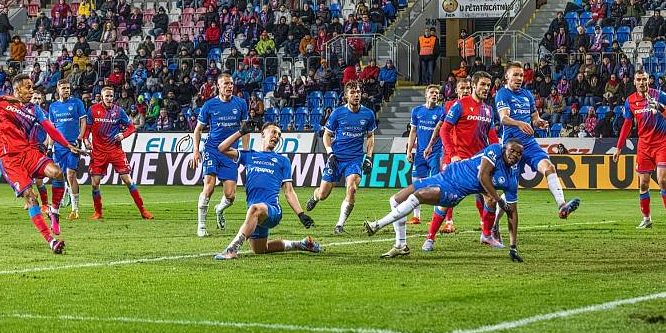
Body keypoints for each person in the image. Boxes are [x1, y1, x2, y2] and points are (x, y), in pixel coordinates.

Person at [365, 140, 525, 262]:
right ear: (505, 148)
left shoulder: (510, 180)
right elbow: (482, 175)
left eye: (519, 154)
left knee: (418, 196)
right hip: (445, 175)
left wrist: (513, 247)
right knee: (396, 199)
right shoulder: (495, 150)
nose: (515, 155)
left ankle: (377, 225)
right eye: (512, 151)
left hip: (455, 190)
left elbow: (513, 214)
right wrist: (498, 199)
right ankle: (401, 246)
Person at [0, 75, 83, 253]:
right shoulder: (1, 102)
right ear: (17, 90)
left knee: (57, 172)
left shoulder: (34, 110)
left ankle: (54, 210)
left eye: (32, 87)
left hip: (28, 152)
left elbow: (51, 130)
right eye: (28, 87)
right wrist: (3, 97)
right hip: (9, 158)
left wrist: (68, 145)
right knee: (31, 198)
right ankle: (51, 241)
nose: (32, 90)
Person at [212, 122, 320, 260]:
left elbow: (289, 191)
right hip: (255, 215)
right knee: (260, 249)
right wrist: (240, 132)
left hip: (272, 210)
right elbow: (221, 148)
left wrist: (301, 214)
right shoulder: (250, 155)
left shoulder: (282, 161)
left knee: (254, 209)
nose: (277, 136)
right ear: (263, 134)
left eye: (279, 134)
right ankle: (301, 244)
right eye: (273, 132)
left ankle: (232, 249)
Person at [496, 62, 581, 219]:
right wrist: (520, 123)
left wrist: (539, 122)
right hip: (511, 146)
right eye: (515, 75)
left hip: (529, 143)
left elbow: (535, 118)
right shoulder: (503, 94)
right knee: (511, 188)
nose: (519, 78)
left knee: (549, 167)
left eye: (521, 75)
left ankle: (562, 205)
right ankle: (493, 226)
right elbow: (504, 118)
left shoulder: (527, 95)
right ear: (507, 76)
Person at [425, 72, 499, 247]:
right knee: (446, 200)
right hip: (461, 163)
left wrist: (497, 155)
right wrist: (453, 153)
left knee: (491, 198)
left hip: (481, 164)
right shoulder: (459, 105)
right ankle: (430, 238)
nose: (486, 89)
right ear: (473, 85)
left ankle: (486, 235)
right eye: (482, 85)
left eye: (488, 86)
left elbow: (492, 136)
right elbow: (444, 130)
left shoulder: (488, 109)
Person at [306, 80, 376, 234]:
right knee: (323, 194)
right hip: (337, 158)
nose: (356, 95)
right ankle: (315, 197)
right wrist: (330, 153)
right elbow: (327, 135)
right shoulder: (337, 113)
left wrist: (369, 157)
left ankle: (339, 225)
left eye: (358, 92)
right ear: (346, 96)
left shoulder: (368, 114)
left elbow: (370, 137)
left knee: (352, 188)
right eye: (352, 92)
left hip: (355, 159)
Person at [613, 70, 666, 229]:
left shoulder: (660, 95)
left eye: (644, 79)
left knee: (662, 180)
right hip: (644, 146)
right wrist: (619, 147)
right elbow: (627, 125)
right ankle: (646, 218)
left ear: (649, 80)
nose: (642, 82)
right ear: (634, 82)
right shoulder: (630, 101)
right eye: (638, 80)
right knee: (643, 184)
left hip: (662, 143)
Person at [189, 73, 249, 236]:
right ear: (218, 86)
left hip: (230, 153)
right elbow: (198, 129)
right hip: (212, 150)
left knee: (230, 196)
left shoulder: (241, 104)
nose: (230, 86)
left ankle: (219, 209)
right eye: (226, 84)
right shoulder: (209, 105)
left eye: (231, 83)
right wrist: (196, 150)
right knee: (209, 187)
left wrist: (244, 152)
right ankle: (201, 226)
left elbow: (245, 131)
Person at [83, 86, 153, 220]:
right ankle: (98, 212)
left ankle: (143, 211)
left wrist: (123, 135)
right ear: (101, 97)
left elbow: (131, 127)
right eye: (107, 96)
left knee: (127, 179)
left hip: (115, 150)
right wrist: (86, 140)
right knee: (94, 183)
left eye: (111, 96)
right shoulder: (93, 110)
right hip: (98, 152)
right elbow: (88, 128)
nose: (109, 98)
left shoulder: (119, 111)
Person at [422, 77, 472, 233]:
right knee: (448, 188)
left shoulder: (479, 107)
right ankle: (448, 221)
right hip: (451, 154)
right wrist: (430, 145)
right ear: (456, 90)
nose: (465, 91)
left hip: (472, 153)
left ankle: (486, 226)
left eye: (467, 88)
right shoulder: (450, 106)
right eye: (462, 88)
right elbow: (440, 127)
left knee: (482, 190)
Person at [405, 85, 444, 227]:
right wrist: (409, 150)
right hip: (420, 153)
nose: (435, 95)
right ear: (426, 95)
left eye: (437, 93)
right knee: (416, 183)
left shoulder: (442, 111)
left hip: (436, 153)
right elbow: (413, 132)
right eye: (432, 92)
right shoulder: (417, 111)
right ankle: (416, 217)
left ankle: (436, 217)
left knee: (436, 185)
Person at [48, 79, 87, 220]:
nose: (66, 90)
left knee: (71, 174)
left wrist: (80, 138)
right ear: (58, 89)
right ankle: (64, 194)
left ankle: (75, 210)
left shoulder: (77, 103)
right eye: (63, 88)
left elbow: (83, 122)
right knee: (60, 174)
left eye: (68, 88)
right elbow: (52, 129)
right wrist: (49, 146)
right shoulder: (53, 107)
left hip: (73, 144)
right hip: (58, 147)